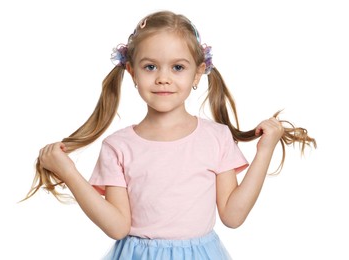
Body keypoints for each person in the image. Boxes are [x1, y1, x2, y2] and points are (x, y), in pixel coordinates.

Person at [24, 10, 316, 259]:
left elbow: (233, 215)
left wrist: (264, 151)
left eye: (178, 67)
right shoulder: (118, 146)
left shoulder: (216, 137)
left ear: (198, 73)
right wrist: (69, 172)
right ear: (132, 72)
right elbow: (117, 227)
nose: (163, 77)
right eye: (150, 66)